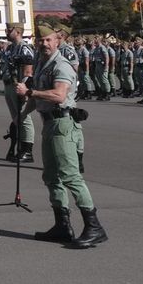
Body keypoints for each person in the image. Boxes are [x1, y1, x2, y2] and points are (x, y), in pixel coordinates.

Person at [18, 23, 106, 250]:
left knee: (70, 176)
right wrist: (21, 115)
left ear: (58, 41)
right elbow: (37, 98)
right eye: (40, 40)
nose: (44, 44)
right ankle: (62, 226)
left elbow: (58, 95)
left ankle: (94, 227)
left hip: (63, 125)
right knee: (51, 177)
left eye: (48, 40)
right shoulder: (41, 63)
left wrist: (29, 92)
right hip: (49, 124)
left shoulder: (61, 65)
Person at [0, 25, 35, 163]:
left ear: (18, 32)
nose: (6, 32)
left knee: (24, 117)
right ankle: (19, 146)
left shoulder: (24, 48)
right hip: (9, 84)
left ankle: (27, 149)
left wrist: (24, 89)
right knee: (16, 117)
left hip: (19, 86)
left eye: (9, 30)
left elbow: (28, 72)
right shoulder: (11, 47)